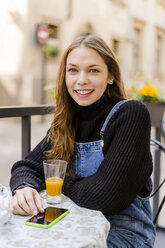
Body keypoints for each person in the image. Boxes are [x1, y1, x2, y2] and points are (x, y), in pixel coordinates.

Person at [10, 34, 156, 247]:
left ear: (111, 76)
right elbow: (28, 166)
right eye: (73, 70)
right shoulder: (67, 120)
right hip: (74, 223)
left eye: (93, 70)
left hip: (124, 233)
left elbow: (104, 196)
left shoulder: (131, 115)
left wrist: (58, 182)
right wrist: (24, 187)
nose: (81, 80)